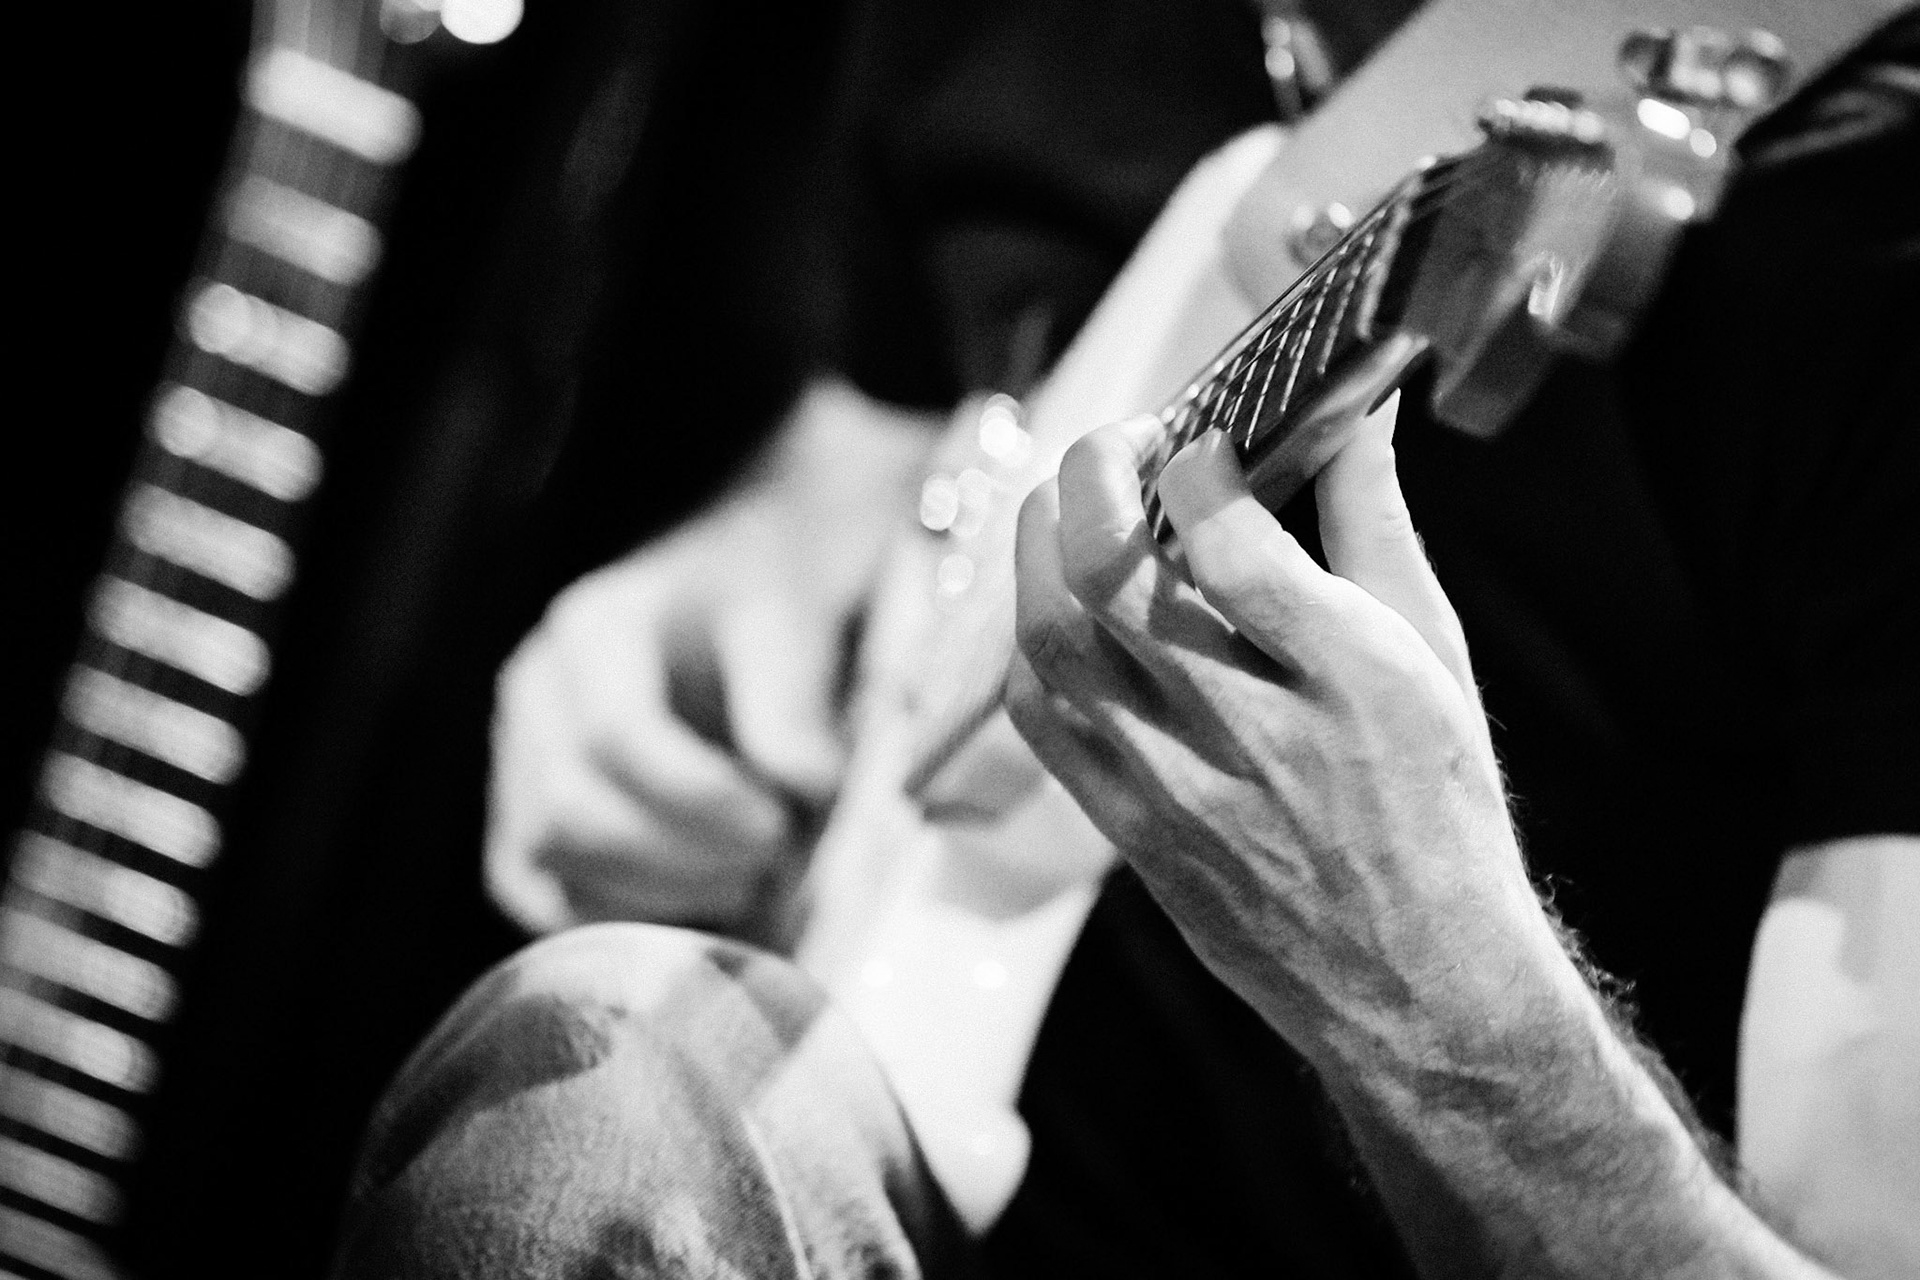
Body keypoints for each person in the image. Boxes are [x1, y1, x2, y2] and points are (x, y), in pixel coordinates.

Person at [333, 2, 1920, 1276]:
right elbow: (881, 441)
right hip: (865, 1126)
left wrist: (1452, 1028)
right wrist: (701, 626)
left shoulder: (1871, 248)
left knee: (602, 1113)